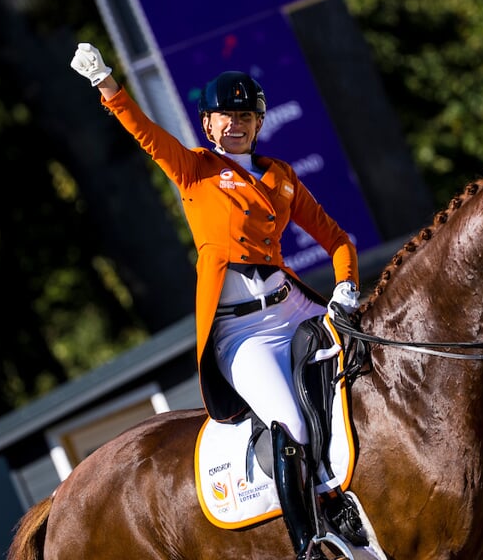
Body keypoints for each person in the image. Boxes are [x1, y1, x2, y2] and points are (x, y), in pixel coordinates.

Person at [71, 42, 361, 560]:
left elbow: (338, 240)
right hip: (241, 333)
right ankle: (309, 542)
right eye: (226, 117)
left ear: (258, 122)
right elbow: (144, 133)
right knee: (289, 422)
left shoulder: (282, 178)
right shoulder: (194, 170)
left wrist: (345, 287)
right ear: (208, 125)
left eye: (246, 116)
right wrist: (106, 84)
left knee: (372, 362)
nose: (237, 124)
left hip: (293, 308)